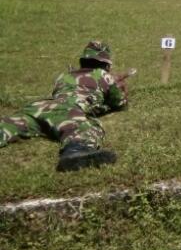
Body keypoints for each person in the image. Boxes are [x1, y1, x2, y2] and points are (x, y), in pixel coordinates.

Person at [0, 41, 129, 172]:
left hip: (39, 106)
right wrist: (121, 87)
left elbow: (59, 92)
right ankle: (76, 151)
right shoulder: (104, 76)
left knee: (9, 125)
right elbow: (119, 103)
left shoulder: (64, 76)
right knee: (85, 129)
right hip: (68, 109)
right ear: (106, 65)